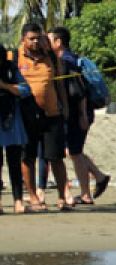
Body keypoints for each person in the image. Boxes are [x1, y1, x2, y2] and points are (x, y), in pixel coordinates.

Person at [47, 27, 109, 206]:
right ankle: (98, 177)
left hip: (77, 112)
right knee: (73, 151)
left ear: (58, 42)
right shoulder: (71, 59)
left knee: (74, 151)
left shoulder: (66, 61)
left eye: (49, 40)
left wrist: (82, 114)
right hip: (77, 112)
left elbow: (78, 92)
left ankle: (86, 193)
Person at [16, 24, 72, 211]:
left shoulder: (52, 58)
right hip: (26, 116)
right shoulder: (15, 57)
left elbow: (60, 86)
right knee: (28, 158)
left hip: (52, 114)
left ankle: (63, 197)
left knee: (56, 158)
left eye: (38, 38)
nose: (35, 41)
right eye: (31, 38)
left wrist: (65, 108)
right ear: (23, 39)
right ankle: (33, 198)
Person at [0, 45, 29, 213]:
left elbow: (25, 90)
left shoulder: (11, 69)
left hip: (11, 121)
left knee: (14, 163)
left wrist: (5, 86)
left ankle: (18, 200)